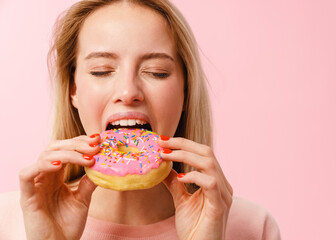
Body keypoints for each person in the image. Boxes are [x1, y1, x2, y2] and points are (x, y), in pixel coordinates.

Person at [0, 0, 281, 239]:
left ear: (185, 91)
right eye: (101, 70)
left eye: (157, 71)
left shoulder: (251, 227)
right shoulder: (11, 219)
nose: (128, 92)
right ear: (73, 90)